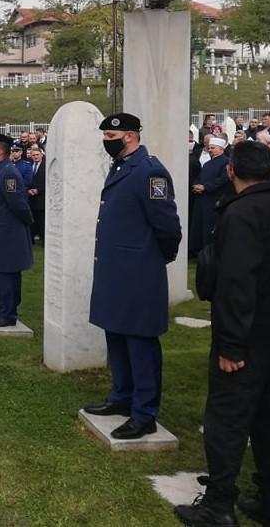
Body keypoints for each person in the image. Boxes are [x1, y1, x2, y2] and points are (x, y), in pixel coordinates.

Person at [175, 141, 270, 527]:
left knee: (226, 420)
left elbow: (236, 283)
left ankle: (218, 504)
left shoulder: (241, 213)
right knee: (268, 419)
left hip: (246, 338)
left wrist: (230, 344)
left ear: (231, 171)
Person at [84, 113, 182, 440]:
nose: (106, 142)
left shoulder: (149, 171)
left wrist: (158, 257)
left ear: (129, 136)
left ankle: (144, 413)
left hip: (139, 271)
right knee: (117, 335)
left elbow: (167, 225)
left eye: (110, 136)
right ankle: (121, 396)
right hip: (117, 271)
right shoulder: (123, 167)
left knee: (140, 343)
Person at [0, 133, 33, 327]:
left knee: (7, 275)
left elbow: (17, 203)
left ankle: (8, 314)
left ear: (0, 151)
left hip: (7, 235)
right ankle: (1, 310)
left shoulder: (8, 172)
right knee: (0, 274)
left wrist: (28, 221)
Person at [188, 137, 231, 255]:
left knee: (209, 226)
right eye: (209, 148)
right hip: (202, 198)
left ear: (221, 149)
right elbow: (199, 176)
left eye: (213, 148)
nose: (210, 150)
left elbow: (223, 179)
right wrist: (196, 185)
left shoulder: (226, 162)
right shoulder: (207, 164)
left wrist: (206, 187)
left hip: (214, 199)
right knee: (200, 225)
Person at [27, 146, 46, 244]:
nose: (35, 157)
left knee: (42, 221)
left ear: (41, 155)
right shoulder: (29, 165)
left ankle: (44, 240)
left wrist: (38, 190)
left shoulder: (46, 166)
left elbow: (48, 182)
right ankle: (32, 240)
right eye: (33, 155)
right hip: (30, 198)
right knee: (32, 220)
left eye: (37, 155)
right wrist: (28, 190)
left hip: (42, 197)